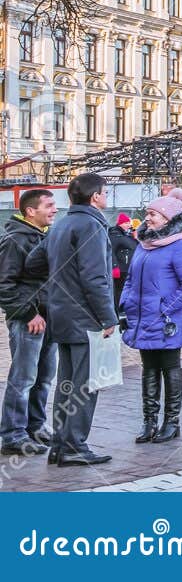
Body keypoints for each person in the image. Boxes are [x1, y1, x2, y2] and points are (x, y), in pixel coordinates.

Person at [39, 173, 119, 467]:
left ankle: (61, 444)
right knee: (85, 385)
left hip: (63, 315)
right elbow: (95, 277)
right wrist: (108, 317)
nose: (106, 198)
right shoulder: (91, 225)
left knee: (67, 384)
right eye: (105, 193)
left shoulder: (61, 225)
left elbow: (35, 261)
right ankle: (74, 445)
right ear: (95, 196)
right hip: (86, 318)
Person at [121, 188, 182, 444]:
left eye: (153, 214)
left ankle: (171, 422)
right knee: (148, 369)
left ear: (168, 219)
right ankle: (149, 422)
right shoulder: (143, 246)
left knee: (170, 368)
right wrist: (126, 301)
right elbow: (131, 278)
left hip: (167, 322)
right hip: (142, 318)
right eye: (148, 213)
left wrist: (166, 307)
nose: (148, 218)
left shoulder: (180, 247)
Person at [0, 188, 57, 455]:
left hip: (47, 317)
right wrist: (27, 313)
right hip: (29, 320)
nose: (54, 209)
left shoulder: (42, 235)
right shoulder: (15, 239)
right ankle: (12, 434)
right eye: (49, 205)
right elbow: (4, 284)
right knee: (23, 378)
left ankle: (35, 425)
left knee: (44, 377)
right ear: (31, 211)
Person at [108, 212, 137, 311]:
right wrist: (114, 266)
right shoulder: (115, 235)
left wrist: (135, 237)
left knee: (124, 291)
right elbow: (111, 251)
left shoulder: (125, 235)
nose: (129, 225)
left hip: (126, 268)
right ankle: (118, 310)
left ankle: (122, 309)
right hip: (121, 269)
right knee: (119, 291)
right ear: (121, 224)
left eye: (129, 223)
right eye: (126, 223)